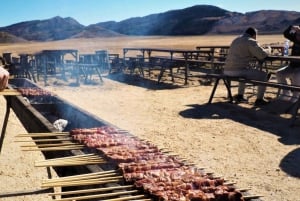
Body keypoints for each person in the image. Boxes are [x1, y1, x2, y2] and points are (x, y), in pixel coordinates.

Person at [223, 27, 270, 106]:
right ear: (254, 35)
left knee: (245, 72)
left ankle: (240, 96)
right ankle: (259, 99)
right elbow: (262, 55)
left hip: (227, 70)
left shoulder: (236, 39)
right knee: (264, 75)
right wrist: (269, 49)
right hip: (237, 71)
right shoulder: (251, 41)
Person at [276, 25, 300, 102]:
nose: (298, 36)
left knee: (296, 76)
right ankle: (286, 93)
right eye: (297, 34)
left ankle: (296, 96)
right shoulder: (295, 39)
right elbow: (286, 34)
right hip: (292, 66)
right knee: (279, 73)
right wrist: (291, 27)